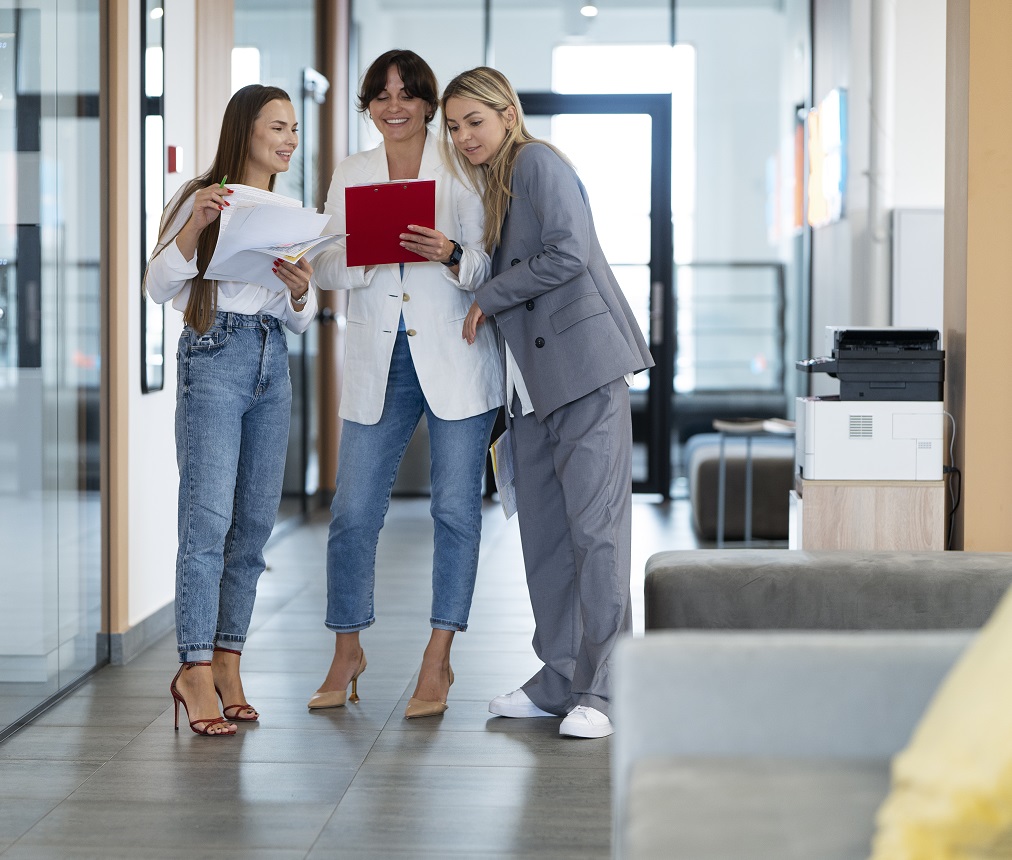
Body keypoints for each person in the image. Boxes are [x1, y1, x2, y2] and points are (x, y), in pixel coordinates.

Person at [441, 67, 654, 739]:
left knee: (596, 534)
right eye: (453, 126)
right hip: (530, 388)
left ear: (508, 114)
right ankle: (560, 678)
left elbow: (570, 252)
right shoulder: (494, 183)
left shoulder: (536, 163)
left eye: (474, 121)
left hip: (583, 371)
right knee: (546, 539)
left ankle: (606, 689)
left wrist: (489, 295)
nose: (463, 136)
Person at [308, 50, 501, 719]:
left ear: (427, 103)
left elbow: (488, 266)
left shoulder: (462, 166)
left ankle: (438, 656)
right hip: (378, 356)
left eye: (407, 94)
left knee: (455, 512)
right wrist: (368, 253)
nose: (394, 107)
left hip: (456, 355)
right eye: (381, 95)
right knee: (353, 512)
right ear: (368, 105)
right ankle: (347, 649)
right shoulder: (351, 171)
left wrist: (449, 254)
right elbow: (323, 263)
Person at [145, 84, 318, 736]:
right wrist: (195, 225)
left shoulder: (293, 212)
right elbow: (157, 285)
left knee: (252, 527)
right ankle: (192, 668)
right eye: (278, 127)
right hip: (215, 355)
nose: (290, 140)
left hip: (274, 362)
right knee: (208, 521)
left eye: (293, 128)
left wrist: (300, 293)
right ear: (245, 130)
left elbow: (299, 319)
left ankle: (227, 661)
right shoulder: (200, 197)